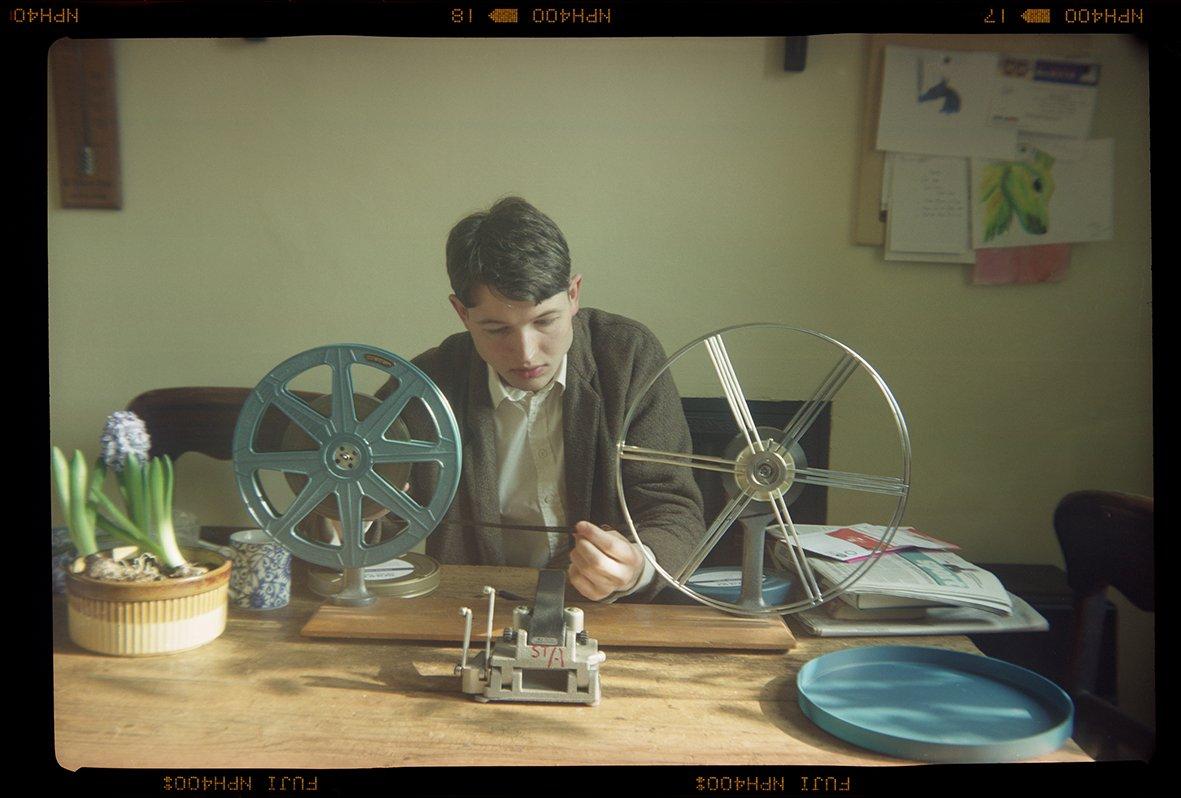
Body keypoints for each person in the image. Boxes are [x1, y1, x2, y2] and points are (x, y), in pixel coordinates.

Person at [384, 197, 705, 602]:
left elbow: (672, 508)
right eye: (497, 330)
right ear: (462, 314)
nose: (527, 354)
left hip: (608, 614)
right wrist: (347, 520)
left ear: (573, 295)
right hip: (474, 612)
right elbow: (379, 518)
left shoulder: (627, 357)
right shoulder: (427, 386)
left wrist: (637, 565)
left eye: (545, 321)